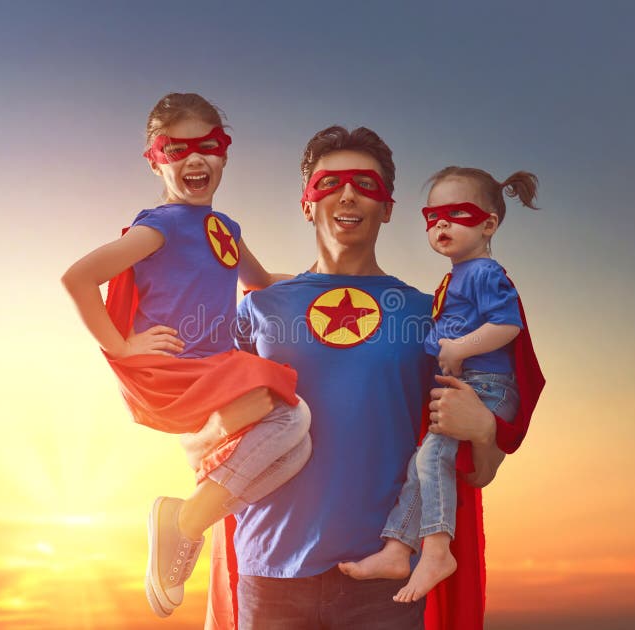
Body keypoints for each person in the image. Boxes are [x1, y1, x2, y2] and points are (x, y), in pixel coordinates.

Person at [191, 127, 539, 630]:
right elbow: (210, 428)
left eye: (365, 184)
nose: (347, 194)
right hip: (269, 571)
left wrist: (484, 429)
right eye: (330, 182)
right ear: (307, 203)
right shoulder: (261, 308)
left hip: (385, 581)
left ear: (389, 207)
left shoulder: (434, 314)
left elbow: (476, 472)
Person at [61, 92, 311, 619]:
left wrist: (321, 282)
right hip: (177, 372)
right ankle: (185, 523)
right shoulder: (161, 225)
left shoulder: (225, 229)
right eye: (176, 149)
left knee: (295, 450)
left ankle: (187, 518)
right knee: (293, 416)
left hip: (216, 368)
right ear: (156, 160)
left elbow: (260, 283)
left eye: (209, 146)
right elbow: (78, 278)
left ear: (225, 153)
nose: (195, 159)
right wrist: (123, 345)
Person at [338, 166, 542, 603]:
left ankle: (436, 551)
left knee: (431, 458)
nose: (441, 224)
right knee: (422, 464)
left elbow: (507, 326)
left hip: (484, 386)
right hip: (470, 382)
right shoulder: (458, 276)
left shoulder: (485, 273)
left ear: (489, 223)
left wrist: (461, 348)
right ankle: (398, 547)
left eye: (457, 213)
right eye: (432, 216)